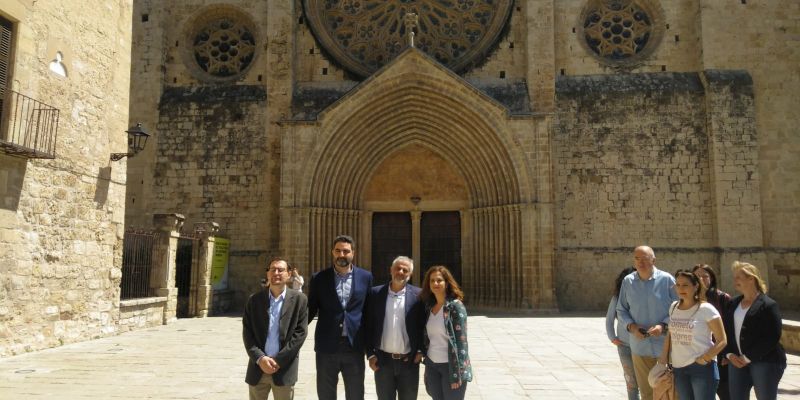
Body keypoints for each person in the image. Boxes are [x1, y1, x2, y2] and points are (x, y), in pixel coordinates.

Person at [307, 235, 374, 400]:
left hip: (354, 345)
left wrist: (371, 349)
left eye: (346, 251)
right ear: (332, 252)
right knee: (326, 393)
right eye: (338, 251)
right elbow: (309, 310)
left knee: (356, 393)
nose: (341, 254)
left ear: (353, 253)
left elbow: (369, 313)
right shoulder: (319, 278)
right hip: (326, 346)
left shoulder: (366, 277)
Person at [616, 245, 678, 400]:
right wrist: (632, 326)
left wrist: (663, 325)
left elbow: (679, 308)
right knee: (647, 393)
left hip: (667, 346)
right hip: (640, 347)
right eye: (637, 258)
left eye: (644, 258)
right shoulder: (628, 281)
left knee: (670, 391)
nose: (640, 262)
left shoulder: (667, 280)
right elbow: (621, 309)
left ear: (653, 260)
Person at [242, 258, 309, 400]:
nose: (276, 273)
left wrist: (279, 360)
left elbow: (300, 334)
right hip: (258, 368)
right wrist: (260, 359)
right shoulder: (254, 300)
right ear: (267, 274)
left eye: (281, 270)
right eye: (272, 269)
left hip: (284, 368)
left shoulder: (299, 300)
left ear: (289, 274)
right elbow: (248, 334)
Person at [722, 261, 786, 400]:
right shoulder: (733, 303)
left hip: (764, 362)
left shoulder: (768, 305)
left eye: (739, 277)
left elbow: (772, 336)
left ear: (751, 278)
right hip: (736, 361)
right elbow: (726, 331)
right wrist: (729, 354)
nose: (735, 280)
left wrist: (747, 357)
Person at [659, 270, 727, 400]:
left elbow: (722, 340)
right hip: (679, 368)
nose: (680, 289)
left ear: (696, 286)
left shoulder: (706, 309)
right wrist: (663, 358)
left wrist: (705, 358)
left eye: (685, 285)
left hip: (702, 368)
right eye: (678, 285)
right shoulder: (674, 307)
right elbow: (670, 334)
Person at [365, 256, 425, 400]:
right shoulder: (375, 294)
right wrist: (370, 354)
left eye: (405, 270)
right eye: (397, 268)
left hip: (409, 362)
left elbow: (423, 325)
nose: (401, 272)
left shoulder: (418, 295)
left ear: (410, 275)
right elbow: (368, 325)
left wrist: (420, 351)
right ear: (391, 270)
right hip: (383, 361)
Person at [420, 265, 472, 400]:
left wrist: (458, 372)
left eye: (439, 280)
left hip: (450, 366)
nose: (435, 283)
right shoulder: (430, 307)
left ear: (447, 283)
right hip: (432, 365)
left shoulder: (455, 306)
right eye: (432, 281)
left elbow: (461, 342)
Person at [692, 264, 732, 400]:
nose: (701, 279)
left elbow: (730, 328)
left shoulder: (722, 298)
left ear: (712, 278)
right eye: (697, 276)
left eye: (705, 276)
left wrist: (728, 354)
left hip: (720, 354)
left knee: (725, 392)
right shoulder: (689, 301)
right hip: (697, 354)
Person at [606, 267, 639, 400]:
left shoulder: (645, 297)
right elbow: (609, 318)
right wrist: (612, 337)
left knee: (649, 381)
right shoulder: (617, 297)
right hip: (625, 346)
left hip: (645, 346)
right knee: (631, 382)